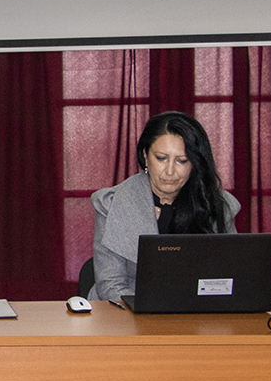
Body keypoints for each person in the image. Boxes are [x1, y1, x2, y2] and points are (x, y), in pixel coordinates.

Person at [89, 111, 240, 302]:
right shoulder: (112, 203)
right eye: (161, 158)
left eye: (182, 161)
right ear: (145, 156)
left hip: (198, 310)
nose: (170, 171)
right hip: (126, 309)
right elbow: (110, 285)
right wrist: (151, 311)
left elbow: (229, 277)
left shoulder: (216, 205)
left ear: (195, 164)